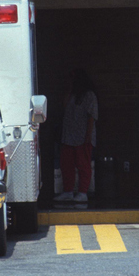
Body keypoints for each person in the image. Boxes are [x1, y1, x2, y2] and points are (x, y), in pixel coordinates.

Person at [54, 69, 98, 206]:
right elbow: (64, 106)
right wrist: (69, 90)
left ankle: (83, 192)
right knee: (66, 164)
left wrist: (88, 137)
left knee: (83, 164)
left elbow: (92, 117)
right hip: (68, 135)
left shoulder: (89, 96)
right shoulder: (72, 95)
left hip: (82, 136)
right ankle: (67, 191)